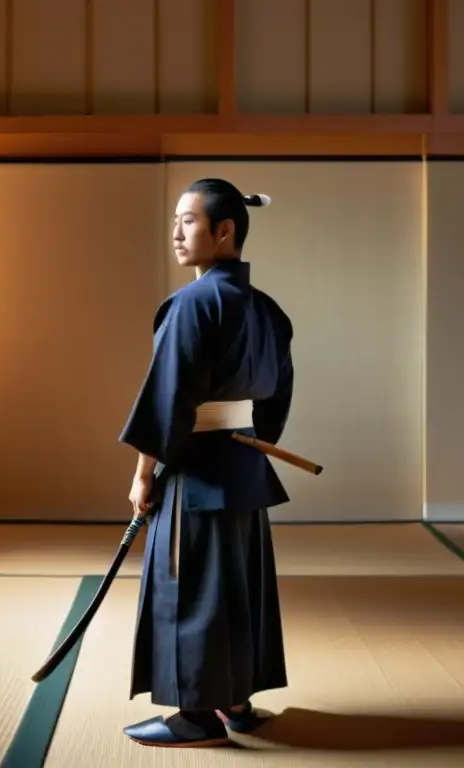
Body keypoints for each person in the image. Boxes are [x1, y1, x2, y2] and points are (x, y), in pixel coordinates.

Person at [117, 178, 295, 748]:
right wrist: (250, 442)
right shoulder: (268, 310)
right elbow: (275, 398)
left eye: (188, 221)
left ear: (225, 231)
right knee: (237, 588)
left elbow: (169, 399)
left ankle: (195, 717)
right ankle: (236, 701)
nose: (176, 232)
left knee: (189, 587)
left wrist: (144, 473)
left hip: (196, 472)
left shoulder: (192, 305)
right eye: (175, 220)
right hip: (244, 466)